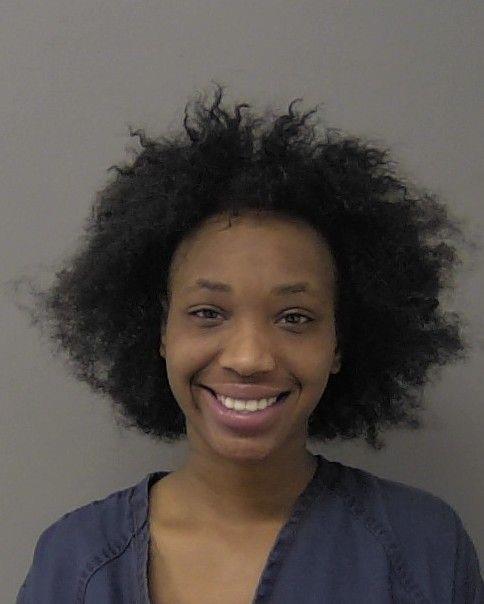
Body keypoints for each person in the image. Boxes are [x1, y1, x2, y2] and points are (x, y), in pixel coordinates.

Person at [12, 82, 483, 602]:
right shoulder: (74, 562)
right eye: (208, 313)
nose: (249, 357)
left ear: (340, 343)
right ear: (160, 330)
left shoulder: (423, 550)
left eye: (295, 318)